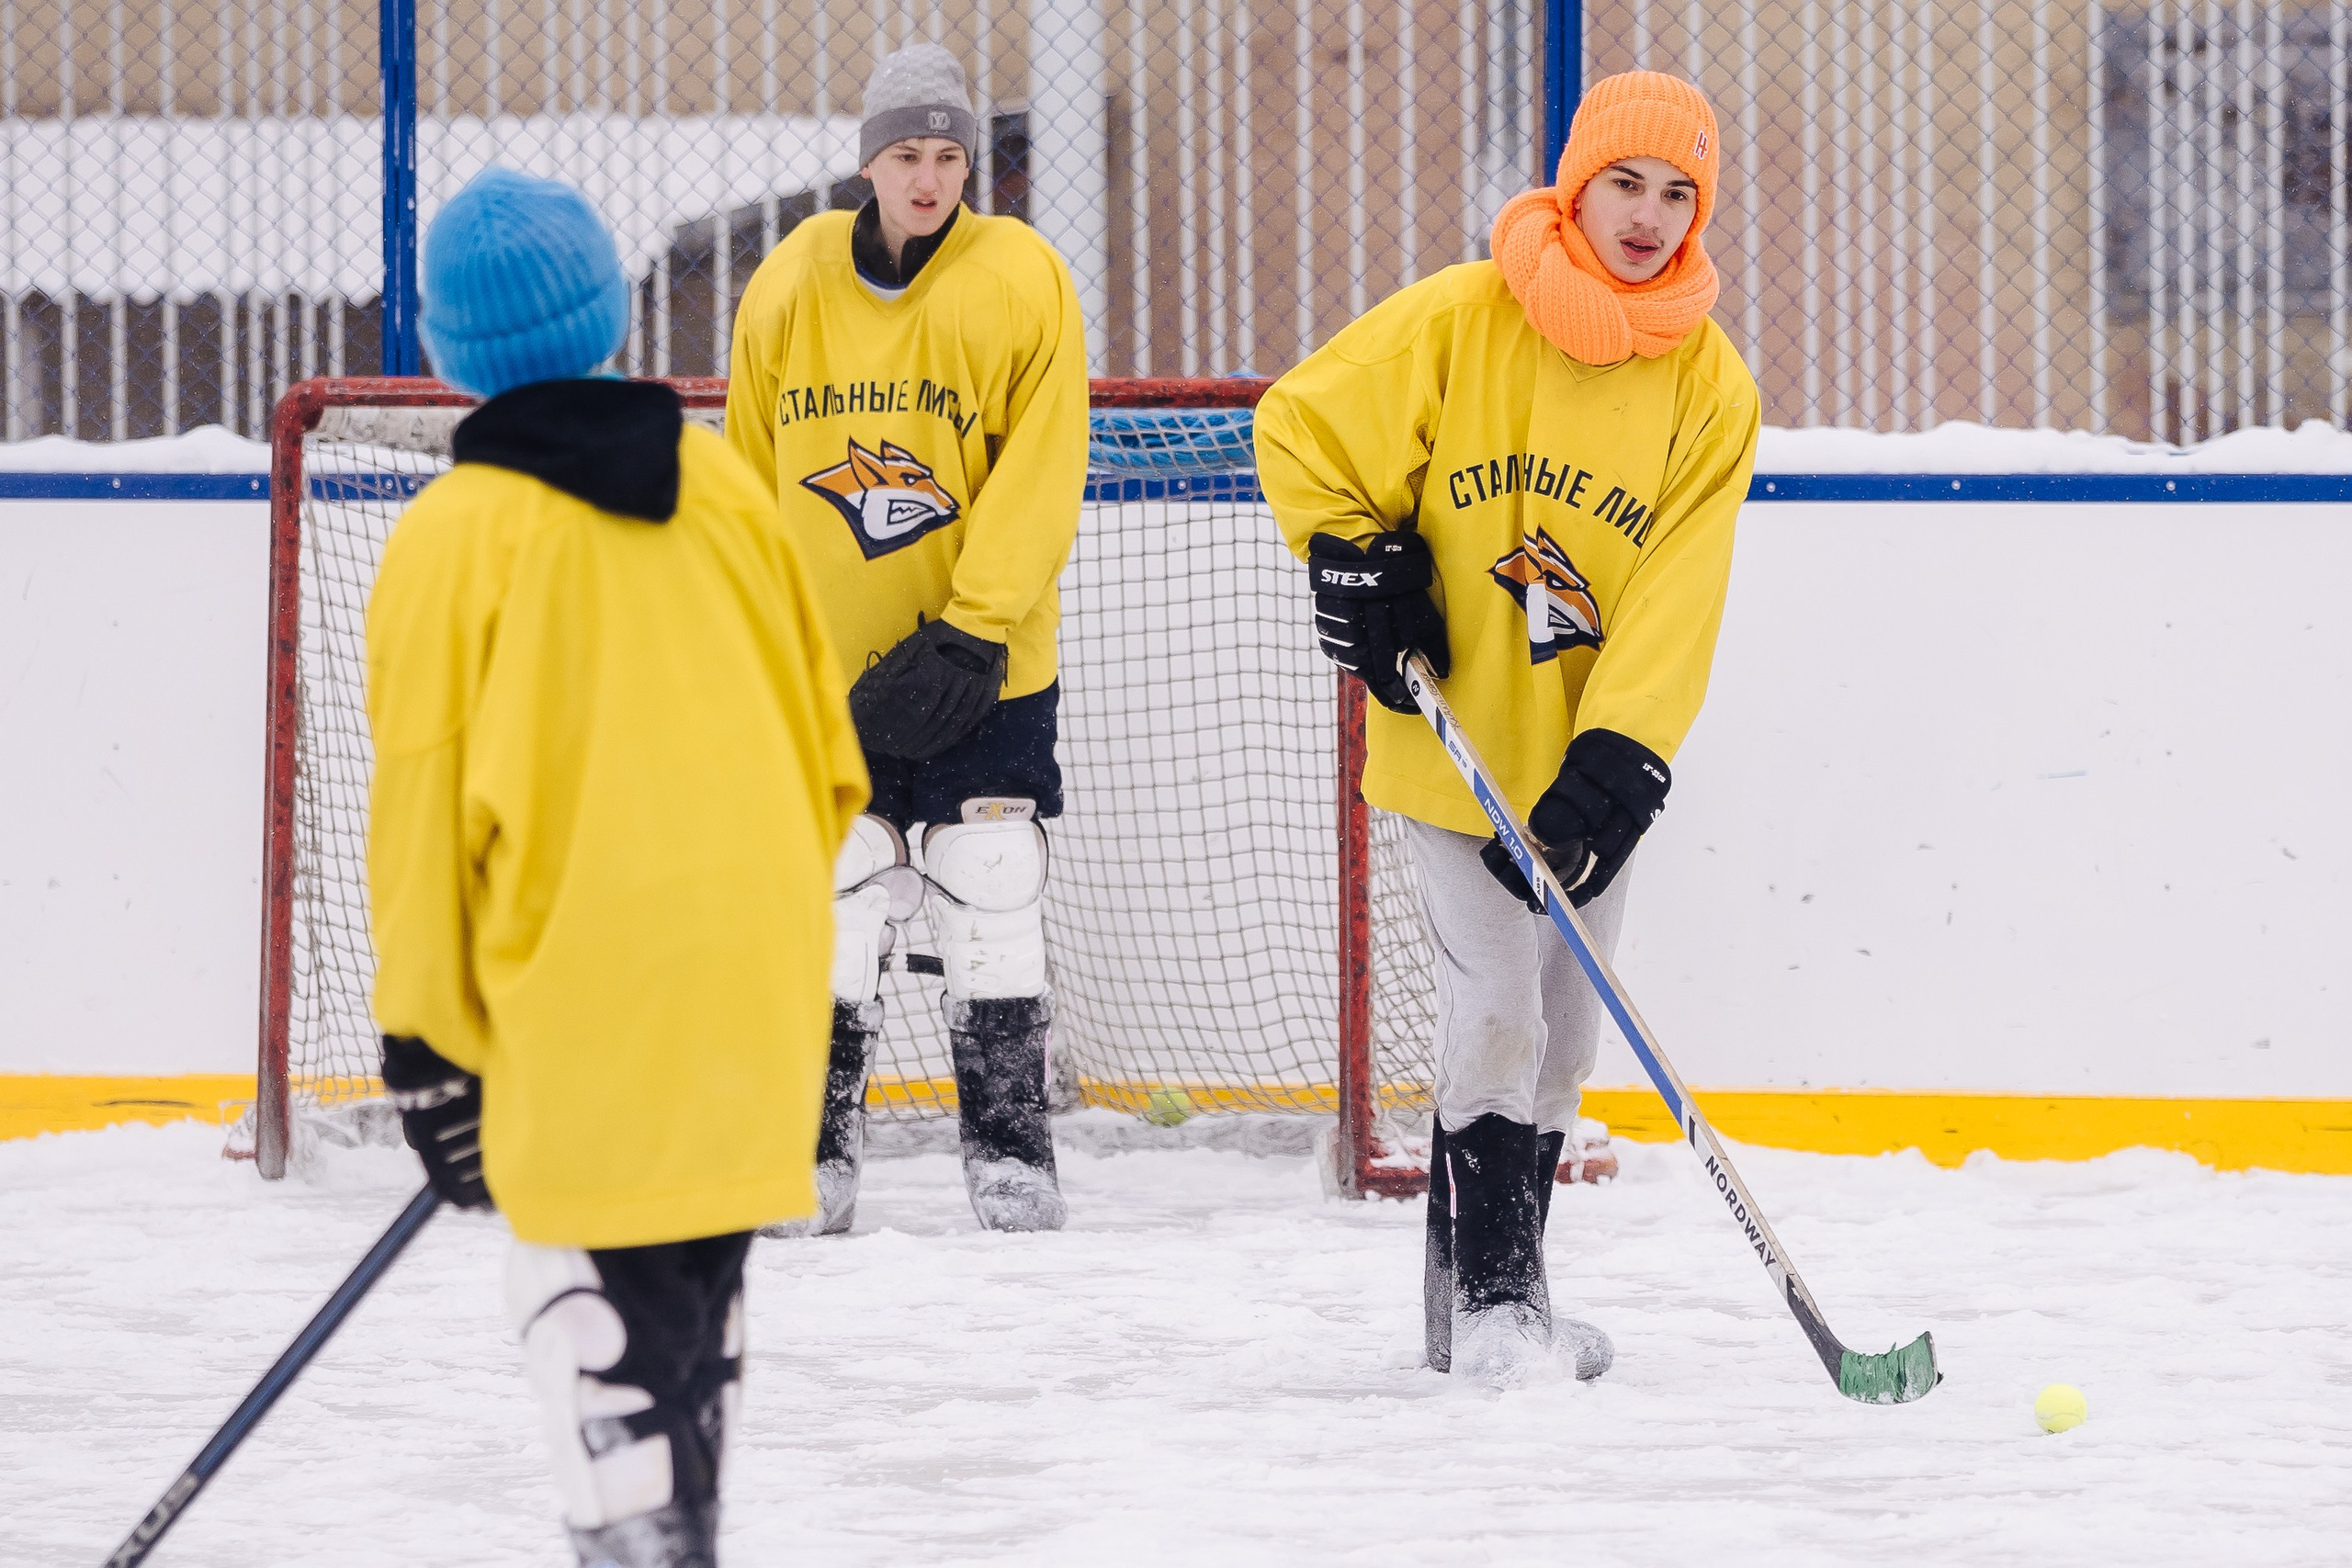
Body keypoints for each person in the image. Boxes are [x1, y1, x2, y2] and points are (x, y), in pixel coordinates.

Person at [368, 166, 866, 1567]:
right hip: (754, 1026)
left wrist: (428, 1049)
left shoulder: (451, 540)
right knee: (685, 1398)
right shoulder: (728, 491)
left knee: (618, 1451)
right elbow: (832, 763)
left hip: (585, 1046)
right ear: (611, 312)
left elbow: (422, 829)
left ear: (444, 345)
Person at [1256, 72, 1760, 1388]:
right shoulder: (1463, 317)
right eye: (1625, 184)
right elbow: (1302, 424)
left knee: (1564, 1030)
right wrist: (1358, 555)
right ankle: (1486, 1302)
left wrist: (1625, 754)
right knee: (1496, 1012)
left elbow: (1679, 586)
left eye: (1677, 195)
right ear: (1575, 182)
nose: (1647, 217)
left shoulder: (1709, 383)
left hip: (1585, 764)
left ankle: (1503, 1298)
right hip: (1452, 745)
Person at [725, 43, 1090, 1236]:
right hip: (829, 668)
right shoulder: (786, 287)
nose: (928, 179)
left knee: (991, 884)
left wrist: (974, 634)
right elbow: (746, 476)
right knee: (834, 891)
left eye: (948, 157)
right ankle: (811, 1151)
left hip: (985, 664)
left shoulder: (1022, 276)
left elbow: (1042, 470)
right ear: (868, 162)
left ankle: (1010, 1151)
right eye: (905, 155)